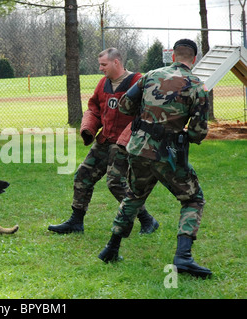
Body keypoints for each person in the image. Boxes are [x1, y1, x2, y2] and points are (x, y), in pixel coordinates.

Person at [98, 39, 212, 278]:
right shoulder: (197, 85)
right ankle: (184, 257)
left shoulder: (149, 76)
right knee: (193, 199)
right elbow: (198, 132)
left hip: (138, 148)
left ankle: (111, 248)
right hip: (168, 153)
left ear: (173, 56)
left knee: (134, 196)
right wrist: (182, 132)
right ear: (194, 59)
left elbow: (125, 105)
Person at [48, 48, 158, 235]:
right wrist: (88, 127)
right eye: (100, 64)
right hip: (104, 140)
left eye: (103, 64)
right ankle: (76, 222)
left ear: (117, 62)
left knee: (115, 182)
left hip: (125, 142)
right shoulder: (103, 84)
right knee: (83, 175)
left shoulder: (137, 82)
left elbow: (145, 115)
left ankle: (147, 220)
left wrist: (125, 139)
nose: (100, 68)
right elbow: (94, 109)